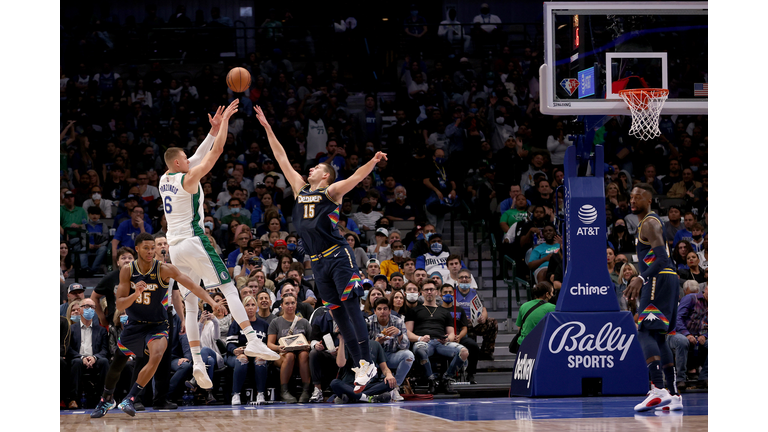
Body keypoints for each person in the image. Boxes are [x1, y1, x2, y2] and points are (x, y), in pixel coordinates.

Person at [255, 104, 385, 392]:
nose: (310, 169)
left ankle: (367, 363)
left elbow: (355, 178)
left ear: (325, 175)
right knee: (338, 315)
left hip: (339, 257)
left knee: (352, 310)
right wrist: (267, 127)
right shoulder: (301, 189)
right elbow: (281, 157)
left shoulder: (331, 191)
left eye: (316, 168)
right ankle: (358, 365)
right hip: (317, 262)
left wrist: (373, 161)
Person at [160, 99, 279, 398]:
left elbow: (199, 153)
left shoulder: (165, 179)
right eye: (185, 158)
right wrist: (224, 126)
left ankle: (198, 360)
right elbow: (213, 155)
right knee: (228, 289)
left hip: (175, 248)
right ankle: (251, 337)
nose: (190, 159)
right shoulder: (188, 179)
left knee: (189, 304)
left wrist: (211, 130)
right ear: (179, 163)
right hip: (194, 240)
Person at [90, 233, 220, 418]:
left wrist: (212, 302)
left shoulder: (165, 269)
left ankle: (131, 398)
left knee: (157, 355)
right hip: (135, 324)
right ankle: (106, 399)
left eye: (153, 248)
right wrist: (136, 294)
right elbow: (119, 305)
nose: (151, 251)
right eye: (146, 248)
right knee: (117, 365)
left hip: (158, 325)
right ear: (137, 249)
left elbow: (193, 286)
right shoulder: (128, 270)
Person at [624, 183, 683, 412]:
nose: (632, 200)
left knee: (645, 332)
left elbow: (661, 259)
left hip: (658, 278)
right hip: (667, 280)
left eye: (638, 197)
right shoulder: (648, 222)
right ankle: (674, 394)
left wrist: (641, 277)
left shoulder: (649, 222)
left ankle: (658, 389)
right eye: (631, 196)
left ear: (648, 200)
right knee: (659, 337)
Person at [405, 280, 468, 395]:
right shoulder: (414, 311)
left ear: (437, 292)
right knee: (420, 349)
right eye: (426, 290)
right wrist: (420, 338)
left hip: (441, 342)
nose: (429, 292)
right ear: (422, 293)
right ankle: (431, 380)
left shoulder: (444, 312)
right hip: (423, 342)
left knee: (464, 352)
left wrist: (447, 339)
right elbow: (407, 332)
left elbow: (452, 333)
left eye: (432, 289)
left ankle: (447, 378)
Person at [267, 293, 312, 403]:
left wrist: (307, 346)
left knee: (304, 354)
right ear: (282, 305)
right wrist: (278, 348)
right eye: (287, 303)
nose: (290, 305)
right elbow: (269, 344)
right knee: (289, 356)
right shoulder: (276, 322)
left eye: (292, 303)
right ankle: (284, 391)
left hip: (300, 354)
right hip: (281, 355)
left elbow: (311, 341)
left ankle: (306, 391)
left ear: (296, 304)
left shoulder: (304, 322)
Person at [227, 295, 271, 405]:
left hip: (258, 354)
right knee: (242, 359)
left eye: (252, 305)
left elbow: (268, 343)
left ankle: (260, 393)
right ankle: (236, 394)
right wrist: (235, 350)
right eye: (247, 305)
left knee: (260, 359)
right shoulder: (237, 323)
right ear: (243, 308)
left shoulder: (264, 325)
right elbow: (229, 343)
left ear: (256, 307)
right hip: (241, 354)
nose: (250, 307)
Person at [67, 298, 110, 409]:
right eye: (86, 306)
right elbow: (69, 349)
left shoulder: (101, 330)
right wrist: (81, 357)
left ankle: (102, 398)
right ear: (80, 310)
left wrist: (95, 357)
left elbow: (105, 350)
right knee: (76, 362)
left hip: (95, 359)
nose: (89, 309)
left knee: (105, 362)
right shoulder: (71, 329)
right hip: (78, 359)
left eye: (92, 307)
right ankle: (73, 400)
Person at [667, 284, 708, 391]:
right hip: (676, 334)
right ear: (706, 289)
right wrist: (687, 334)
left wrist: (705, 335)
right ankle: (681, 379)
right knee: (682, 341)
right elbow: (677, 319)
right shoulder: (690, 298)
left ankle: (704, 378)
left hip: (698, 336)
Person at [329, 338, 394, 404]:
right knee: (335, 383)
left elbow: (384, 368)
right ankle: (369, 398)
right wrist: (341, 340)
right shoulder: (346, 344)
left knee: (390, 383)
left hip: (369, 385)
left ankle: (354, 398)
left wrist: (389, 374)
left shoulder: (375, 344)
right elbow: (340, 364)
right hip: (351, 385)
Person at [453, 269, 497, 362]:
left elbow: (483, 309)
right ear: (457, 280)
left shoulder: (476, 293)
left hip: (474, 322)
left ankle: (486, 352)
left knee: (492, 323)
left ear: (470, 280)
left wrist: (483, 317)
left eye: (467, 277)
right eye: (461, 277)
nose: (464, 279)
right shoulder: (452, 293)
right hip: (458, 324)